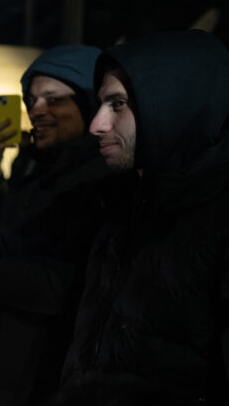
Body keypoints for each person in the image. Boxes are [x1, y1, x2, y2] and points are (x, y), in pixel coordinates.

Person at [61, 30, 229, 404]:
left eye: (117, 104)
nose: (96, 124)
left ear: (176, 103)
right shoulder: (122, 204)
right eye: (101, 104)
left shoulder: (217, 219)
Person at [0, 45, 110, 405]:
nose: (36, 110)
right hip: (3, 364)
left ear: (88, 102)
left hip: (50, 375)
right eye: (31, 99)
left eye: (53, 99)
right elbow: (3, 252)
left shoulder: (103, 180)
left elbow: (69, 284)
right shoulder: (35, 171)